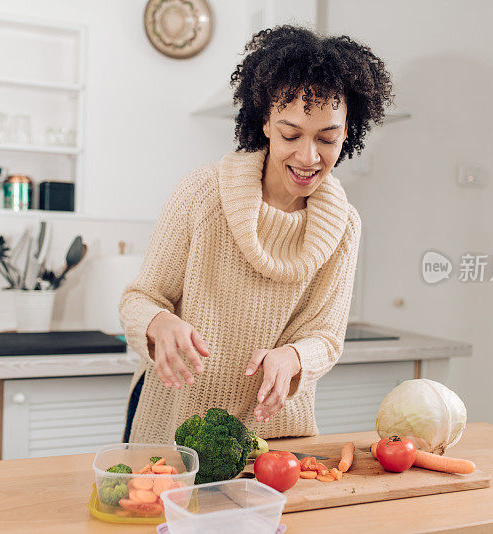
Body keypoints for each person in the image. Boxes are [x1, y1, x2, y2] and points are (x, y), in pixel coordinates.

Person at [120, 25, 393, 443]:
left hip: (277, 439)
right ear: (264, 121)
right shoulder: (203, 195)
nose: (308, 156)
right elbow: (139, 299)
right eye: (290, 134)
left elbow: (326, 337)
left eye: (327, 138)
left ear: (347, 133)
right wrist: (160, 322)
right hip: (176, 432)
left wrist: (296, 355)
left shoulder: (344, 226)